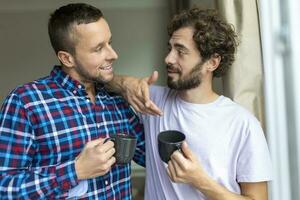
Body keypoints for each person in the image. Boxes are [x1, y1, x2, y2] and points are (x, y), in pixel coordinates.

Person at [110, 8, 272, 200]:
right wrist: (126, 83)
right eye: (170, 48)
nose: (168, 58)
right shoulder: (152, 100)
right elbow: (100, 80)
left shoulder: (243, 124)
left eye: (181, 51)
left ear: (212, 62)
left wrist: (199, 180)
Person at [0, 3, 145, 199]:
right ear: (67, 58)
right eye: (98, 48)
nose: (113, 54)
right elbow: (4, 188)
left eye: (110, 43)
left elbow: (150, 156)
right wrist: (75, 171)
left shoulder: (116, 100)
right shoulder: (25, 103)